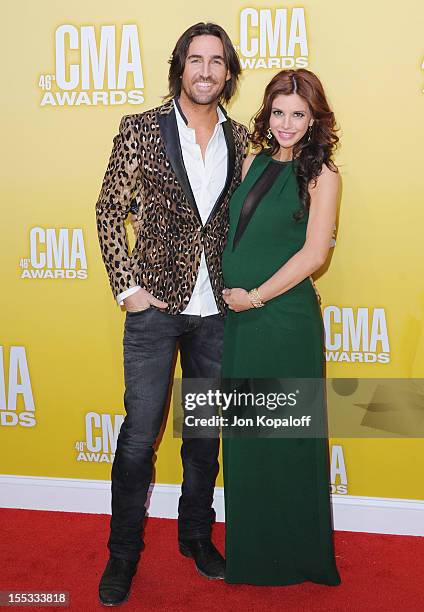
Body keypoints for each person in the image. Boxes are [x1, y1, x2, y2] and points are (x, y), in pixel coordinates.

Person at [95, 22, 249, 606]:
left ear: (228, 72)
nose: (205, 70)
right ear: (179, 67)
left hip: (217, 311)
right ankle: (123, 554)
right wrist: (128, 288)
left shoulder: (242, 140)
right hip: (155, 311)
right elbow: (110, 206)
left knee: (204, 435)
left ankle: (195, 537)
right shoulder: (141, 129)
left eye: (215, 61)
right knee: (139, 436)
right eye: (195, 60)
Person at [221, 68, 342, 586]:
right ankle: (251, 555)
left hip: (283, 321)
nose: (287, 123)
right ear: (267, 114)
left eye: (299, 114)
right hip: (240, 325)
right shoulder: (249, 161)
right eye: (279, 112)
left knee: (290, 438)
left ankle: (299, 556)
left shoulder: (324, 175)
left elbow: (315, 254)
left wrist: (255, 297)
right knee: (246, 438)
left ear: (314, 119)